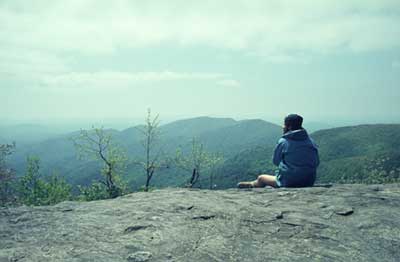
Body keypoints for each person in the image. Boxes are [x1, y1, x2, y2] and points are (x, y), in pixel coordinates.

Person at [237, 114, 319, 188]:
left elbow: (276, 161)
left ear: (289, 127)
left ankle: (253, 184)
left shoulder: (284, 141)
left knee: (261, 178)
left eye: (284, 124)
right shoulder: (310, 141)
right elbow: (317, 162)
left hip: (289, 182)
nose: (283, 126)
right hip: (309, 181)